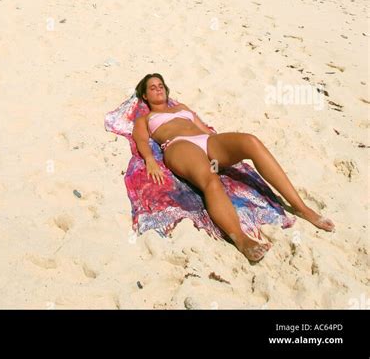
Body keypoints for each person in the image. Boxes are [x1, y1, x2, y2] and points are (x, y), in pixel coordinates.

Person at [132, 73, 335, 262]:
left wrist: (223, 147)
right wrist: (150, 159)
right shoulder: (145, 119)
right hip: (178, 145)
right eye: (152, 88)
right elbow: (141, 140)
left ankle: (302, 208)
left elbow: (206, 130)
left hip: (206, 141)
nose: (158, 89)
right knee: (210, 178)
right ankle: (241, 239)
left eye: (161, 86)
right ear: (145, 95)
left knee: (250, 141)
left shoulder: (182, 107)